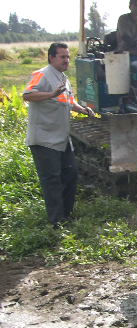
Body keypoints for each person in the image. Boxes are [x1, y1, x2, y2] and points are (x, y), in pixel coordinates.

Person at [23, 43, 94, 228]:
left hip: (62, 138)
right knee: (52, 180)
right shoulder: (42, 74)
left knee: (70, 175)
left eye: (68, 57)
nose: (66, 60)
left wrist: (83, 109)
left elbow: (68, 101)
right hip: (44, 139)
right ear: (52, 57)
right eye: (62, 57)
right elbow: (27, 95)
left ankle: (66, 216)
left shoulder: (63, 78)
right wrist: (50, 94)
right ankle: (57, 222)